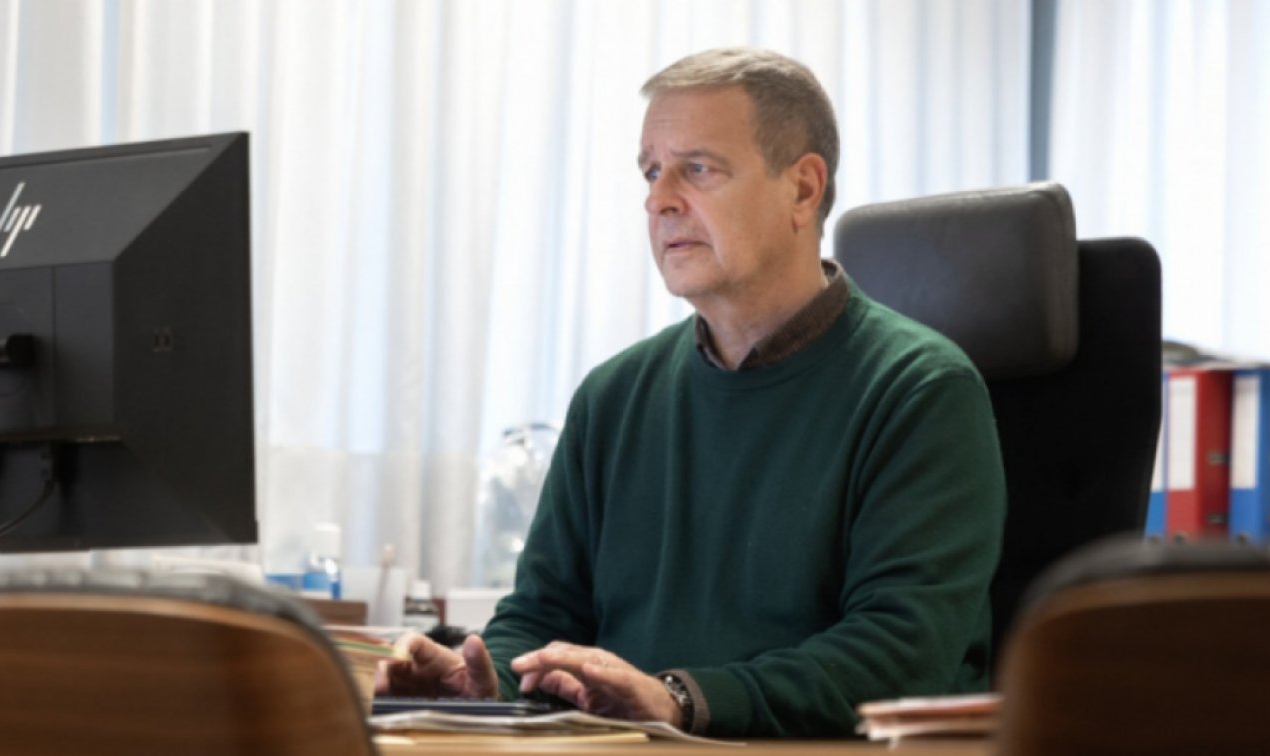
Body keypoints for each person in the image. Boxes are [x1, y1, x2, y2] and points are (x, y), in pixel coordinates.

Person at [377, 47, 1005, 738]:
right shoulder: (612, 397)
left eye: (697, 169)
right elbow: (541, 616)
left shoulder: (920, 391)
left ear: (802, 189)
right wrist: (483, 680)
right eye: (652, 172)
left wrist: (680, 699)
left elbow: (902, 655)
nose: (659, 200)